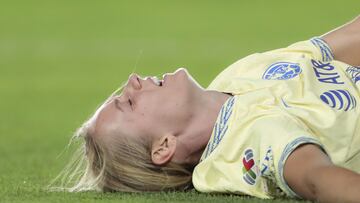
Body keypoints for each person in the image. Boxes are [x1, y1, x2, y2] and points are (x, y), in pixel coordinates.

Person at [50, 15, 360, 202]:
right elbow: (319, 180)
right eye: (129, 102)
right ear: (164, 146)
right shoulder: (246, 140)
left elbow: (346, 41)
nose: (131, 80)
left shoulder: (234, 77)